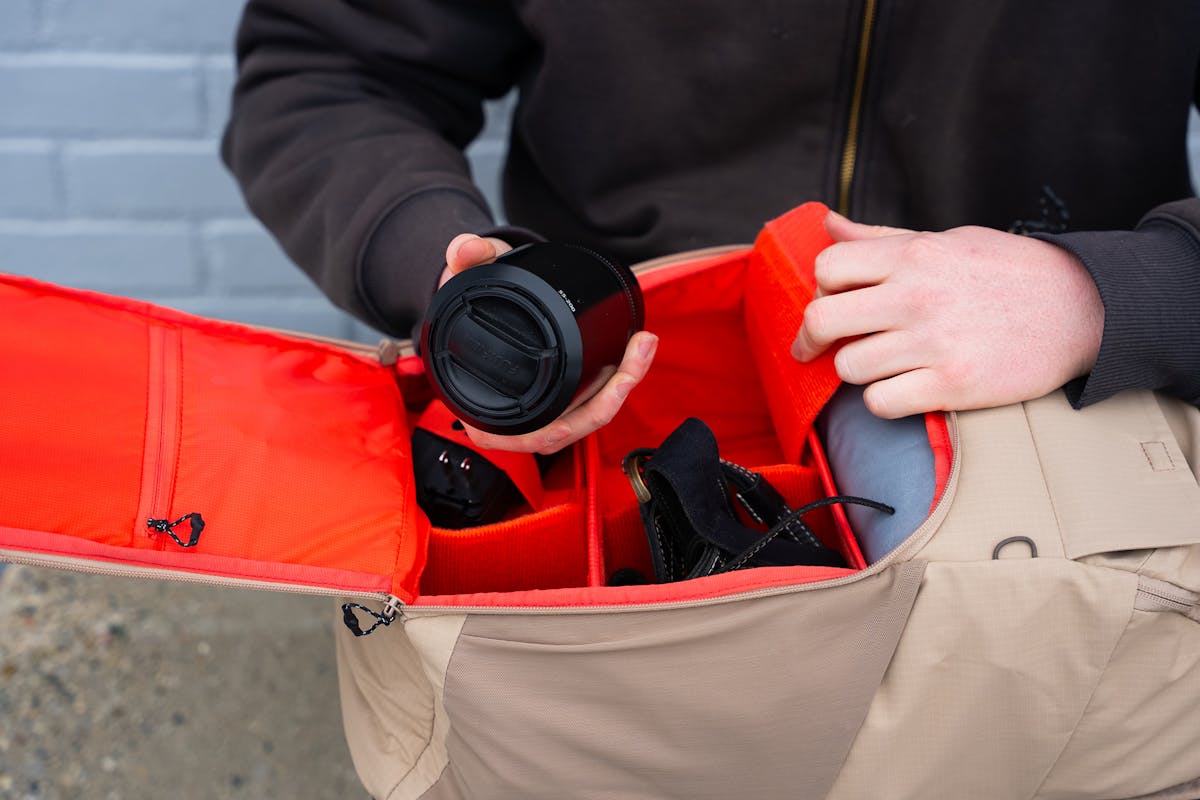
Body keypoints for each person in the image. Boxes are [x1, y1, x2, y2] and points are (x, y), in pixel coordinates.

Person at [222, 1, 1200, 454]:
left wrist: (1117, 293)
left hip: (1066, 428)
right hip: (600, 396)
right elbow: (330, 67)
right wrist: (448, 273)